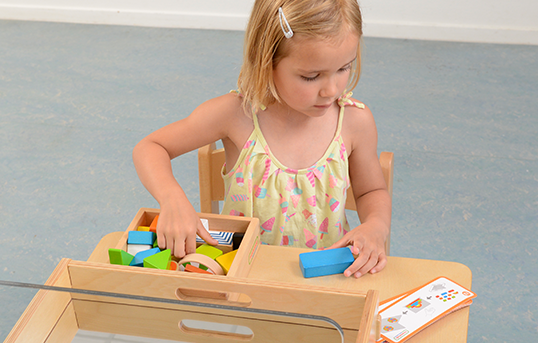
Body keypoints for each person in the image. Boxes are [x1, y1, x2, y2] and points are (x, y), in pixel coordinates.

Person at [133, 0, 391, 278]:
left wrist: (376, 226)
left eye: (344, 68)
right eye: (311, 76)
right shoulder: (235, 114)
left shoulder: (355, 122)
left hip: (327, 279)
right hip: (244, 280)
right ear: (267, 61)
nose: (331, 90)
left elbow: (370, 191)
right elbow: (150, 147)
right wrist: (172, 199)